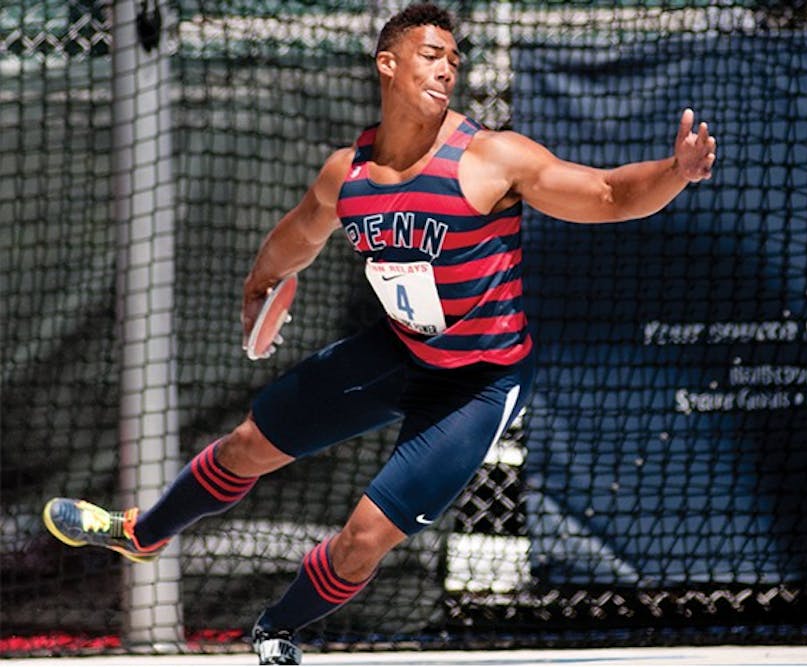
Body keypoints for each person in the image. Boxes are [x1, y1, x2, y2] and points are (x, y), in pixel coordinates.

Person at [42, 2, 716, 664]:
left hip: (478, 384)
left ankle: (275, 627)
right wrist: (258, 283)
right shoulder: (349, 172)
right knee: (247, 443)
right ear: (387, 64)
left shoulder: (491, 158)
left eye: (455, 59)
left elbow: (604, 194)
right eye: (432, 55)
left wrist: (674, 173)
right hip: (399, 350)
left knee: (362, 539)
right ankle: (141, 531)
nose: (448, 69)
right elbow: (300, 234)